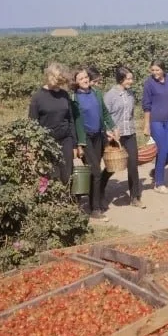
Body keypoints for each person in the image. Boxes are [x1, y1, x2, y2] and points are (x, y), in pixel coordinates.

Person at [70, 67, 118, 221]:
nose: (84, 80)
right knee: (96, 173)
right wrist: (77, 144)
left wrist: (113, 127)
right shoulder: (74, 98)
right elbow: (73, 122)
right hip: (86, 140)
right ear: (76, 82)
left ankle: (92, 201)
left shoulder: (96, 93)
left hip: (99, 136)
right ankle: (95, 208)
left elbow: (104, 112)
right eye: (80, 79)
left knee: (94, 173)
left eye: (85, 77)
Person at [29, 63, 79, 185]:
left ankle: (68, 200)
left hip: (65, 139)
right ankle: (53, 201)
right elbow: (32, 123)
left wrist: (75, 145)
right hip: (47, 142)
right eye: (55, 79)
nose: (57, 83)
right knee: (51, 174)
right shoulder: (38, 97)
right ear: (49, 76)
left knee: (67, 172)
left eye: (59, 80)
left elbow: (70, 119)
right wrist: (33, 147)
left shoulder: (64, 95)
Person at [101, 66, 143, 207]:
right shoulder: (110, 95)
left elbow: (130, 115)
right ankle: (99, 190)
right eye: (128, 78)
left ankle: (135, 197)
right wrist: (110, 132)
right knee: (112, 166)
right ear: (121, 79)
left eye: (131, 78)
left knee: (133, 165)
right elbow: (104, 116)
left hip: (130, 133)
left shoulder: (130, 94)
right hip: (115, 136)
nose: (131, 81)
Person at [142, 59, 168, 194]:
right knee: (162, 150)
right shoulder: (149, 83)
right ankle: (159, 183)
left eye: (157, 70)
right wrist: (147, 125)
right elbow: (146, 106)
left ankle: (157, 171)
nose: (155, 72)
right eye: (153, 70)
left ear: (163, 69)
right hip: (155, 121)